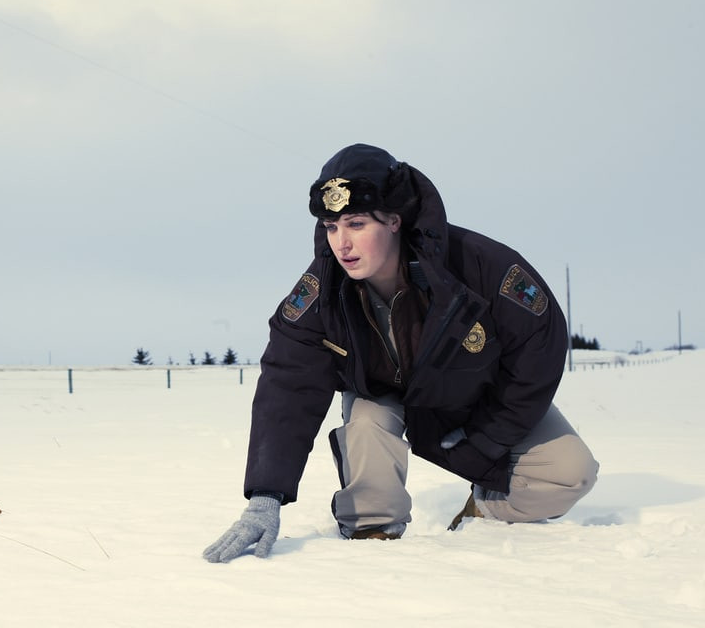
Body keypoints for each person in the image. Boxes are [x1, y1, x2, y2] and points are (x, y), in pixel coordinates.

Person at [203, 143, 598, 562]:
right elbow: (288, 381)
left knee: (570, 474)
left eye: (355, 223)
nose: (342, 243)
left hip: (476, 399)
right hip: (381, 396)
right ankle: (373, 544)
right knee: (369, 428)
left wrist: (483, 442)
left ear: (394, 220)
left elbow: (537, 353)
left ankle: (484, 511)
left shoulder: (481, 266)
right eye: (331, 227)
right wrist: (266, 496)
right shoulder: (320, 291)